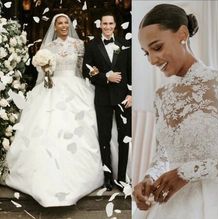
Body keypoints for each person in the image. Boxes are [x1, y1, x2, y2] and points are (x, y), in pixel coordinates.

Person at [133, 3, 218, 219]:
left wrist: (187, 172)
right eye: (146, 53)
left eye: (157, 47)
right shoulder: (161, 95)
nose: (152, 60)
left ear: (182, 34)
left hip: (216, 203)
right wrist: (150, 177)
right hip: (169, 205)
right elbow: (162, 155)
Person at [4, 13, 104, 207]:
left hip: (76, 88)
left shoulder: (79, 45)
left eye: (66, 22)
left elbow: (84, 68)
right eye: (60, 23)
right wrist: (47, 71)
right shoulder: (48, 47)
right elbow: (42, 72)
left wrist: (94, 73)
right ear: (55, 27)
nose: (64, 25)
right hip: (52, 88)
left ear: (70, 25)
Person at [83, 11, 131, 191]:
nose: (108, 27)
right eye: (105, 24)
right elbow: (86, 70)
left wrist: (131, 94)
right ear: (100, 25)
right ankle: (108, 177)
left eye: (111, 24)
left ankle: (122, 178)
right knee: (104, 137)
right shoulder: (93, 45)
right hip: (102, 98)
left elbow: (130, 70)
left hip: (123, 97)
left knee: (124, 138)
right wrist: (105, 77)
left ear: (115, 25)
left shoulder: (125, 44)